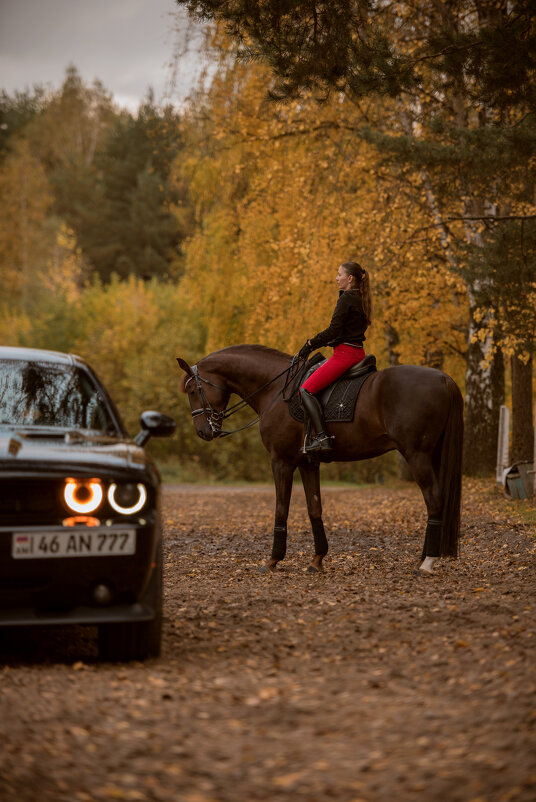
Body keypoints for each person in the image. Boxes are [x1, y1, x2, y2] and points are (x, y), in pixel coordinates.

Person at [298, 261, 372, 452]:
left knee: (305, 390)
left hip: (345, 356)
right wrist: (332, 342)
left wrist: (310, 344)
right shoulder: (360, 297)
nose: (336, 278)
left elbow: (334, 329)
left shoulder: (346, 298)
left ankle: (322, 438)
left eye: (339, 274)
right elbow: (347, 331)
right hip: (357, 352)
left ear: (350, 278)